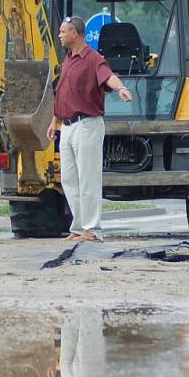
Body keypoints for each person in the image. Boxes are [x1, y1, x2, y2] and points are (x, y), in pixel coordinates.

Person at [45, 16, 132, 242]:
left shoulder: (93, 58)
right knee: (69, 180)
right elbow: (63, 93)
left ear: (75, 34)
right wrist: (54, 121)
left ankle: (93, 229)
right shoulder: (68, 60)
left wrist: (121, 88)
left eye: (63, 32)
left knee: (88, 178)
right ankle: (79, 226)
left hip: (87, 125)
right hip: (67, 127)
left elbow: (108, 76)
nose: (59, 35)